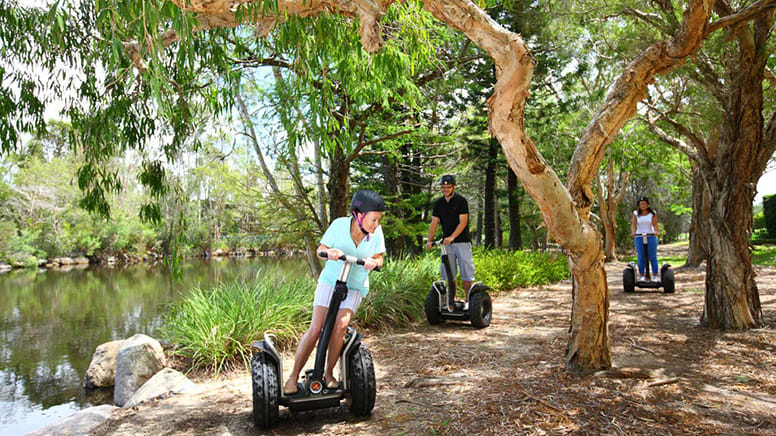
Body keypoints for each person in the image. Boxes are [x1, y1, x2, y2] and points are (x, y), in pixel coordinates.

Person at [283, 189, 386, 395]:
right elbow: (320, 250)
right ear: (359, 215)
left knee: (340, 326)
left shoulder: (376, 233)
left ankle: (329, 374)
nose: (376, 224)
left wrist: (374, 262)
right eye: (373, 220)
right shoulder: (339, 225)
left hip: (355, 285)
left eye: (378, 220)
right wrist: (329, 253)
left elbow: (380, 258)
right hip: (330, 281)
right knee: (317, 328)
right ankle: (293, 377)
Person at [425, 175, 475, 310]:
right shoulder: (439, 203)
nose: (445, 189)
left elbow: (463, 222)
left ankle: (469, 300)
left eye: (448, 187)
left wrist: (452, 237)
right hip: (446, 244)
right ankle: (451, 301)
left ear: (454, 187)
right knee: (449, 271)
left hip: (462, 242)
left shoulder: (461, 201)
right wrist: (430, 240)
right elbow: (434, 223)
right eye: (443, 187)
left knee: (466, 270)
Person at [631, 196, 659, 282]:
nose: (642, 205)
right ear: (639, 205)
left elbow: (655, 225)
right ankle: (642, 275)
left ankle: (655, 275)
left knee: (652, 256)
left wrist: (656, 232)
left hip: (651, 236)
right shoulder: (636, 213)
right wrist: (633, 232)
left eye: (644, 203)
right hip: (639, 236)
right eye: (641, 204)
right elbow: (634, 224)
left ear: (647, 204)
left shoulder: (653, 213)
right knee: (641, 256)